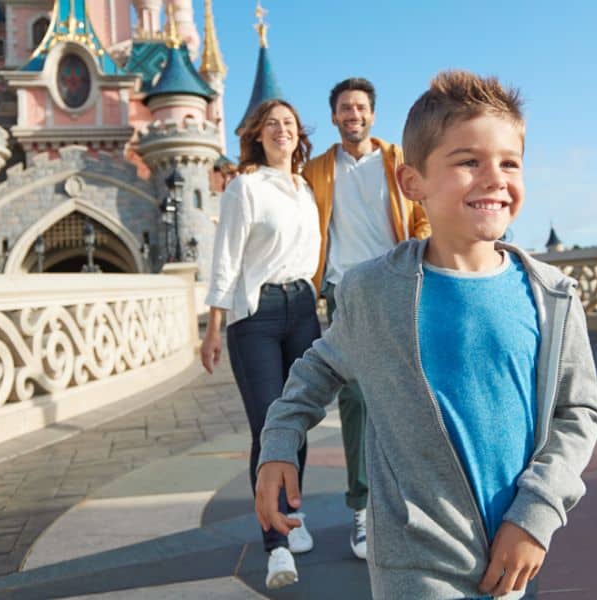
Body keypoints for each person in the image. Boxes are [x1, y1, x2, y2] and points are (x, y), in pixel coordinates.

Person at [253, 71, 597, 598]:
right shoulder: (374, 292)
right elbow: (319, 366)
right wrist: (279, 440)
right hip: (413, 558)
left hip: (513, 551)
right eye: (468, 162)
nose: (494, 178)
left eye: (510, 162)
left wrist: (537, 512)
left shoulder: (552, 295)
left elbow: (579, 411)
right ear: (412, 183)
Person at [302, 76, 431, 560]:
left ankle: (413, 501)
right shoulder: (317, 170)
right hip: (344, 291)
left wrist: (414, 252)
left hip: (395, 282)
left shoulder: (399, 161)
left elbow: (422, 214)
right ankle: (362, 506)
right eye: (344, 108)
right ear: (334, 117)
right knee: (355, 397)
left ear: (372, 114)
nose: (352, 115)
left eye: (360, 107)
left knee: (410, 391)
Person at [199, 99, 320, 590]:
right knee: (269, 427)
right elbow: (225, 260)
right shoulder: (245, 188)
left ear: (297, 135)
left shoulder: (306, 189)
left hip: (303, 310)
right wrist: (213, 327)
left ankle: (291, 510)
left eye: (288, 123)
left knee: (298, 423)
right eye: (272, 124)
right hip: (258, 316)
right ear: (257, 135)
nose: (281, 130)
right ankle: (276, 548)